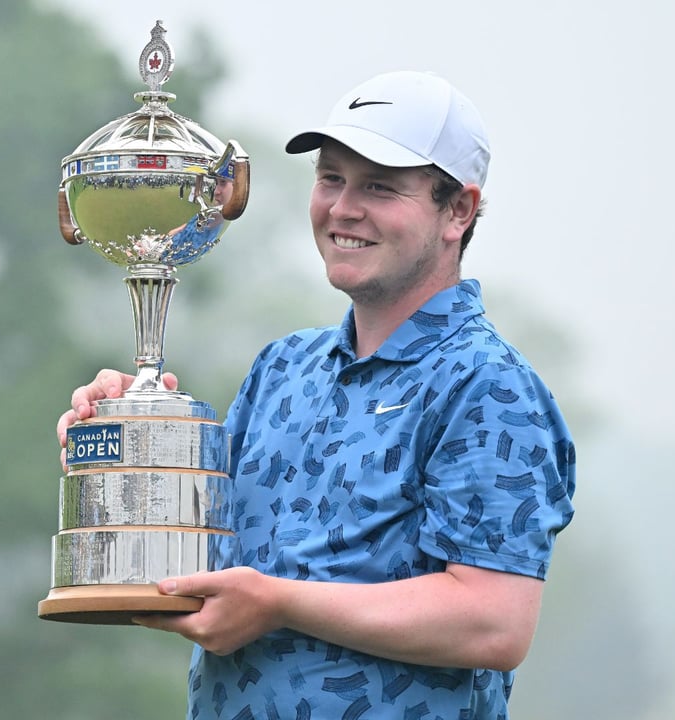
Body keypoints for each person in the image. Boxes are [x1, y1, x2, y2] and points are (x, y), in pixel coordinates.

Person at [57, 70, 576, 720]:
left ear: (459, 211)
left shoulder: (486, 383)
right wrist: (126, 443)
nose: (343, 208)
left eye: (380, 187)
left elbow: (493, 623)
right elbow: (202, 554)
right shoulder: (283, 367)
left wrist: (277, 603)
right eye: (331, 178)